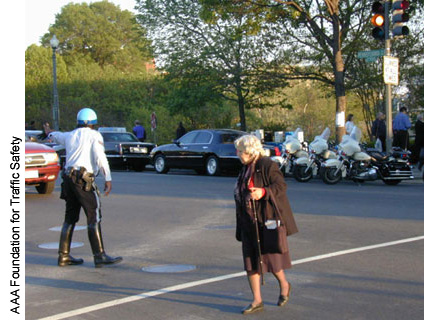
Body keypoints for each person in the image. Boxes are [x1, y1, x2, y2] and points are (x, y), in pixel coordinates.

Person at [48, 108, 123, 268]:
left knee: (70, 217)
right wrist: (107, 178)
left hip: (68, 178)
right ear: (93, 123)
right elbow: (100, 156)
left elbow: (57, 136)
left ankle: (64, 256)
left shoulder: (70, 135)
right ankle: (99, 255)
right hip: (82, 178)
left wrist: (49, 133)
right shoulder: (94, 136)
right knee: (93, 215)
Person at [234, 135, 298, 315]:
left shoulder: (267, 165)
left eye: (240, 150)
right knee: (251, 262)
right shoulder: (245, 168)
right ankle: (257, 300)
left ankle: (284, 285)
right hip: (248, 221)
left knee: (271, 260)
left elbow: (281, 186)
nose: (237, 154)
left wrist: (263, 192)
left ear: (249, 151)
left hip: (266, 219)